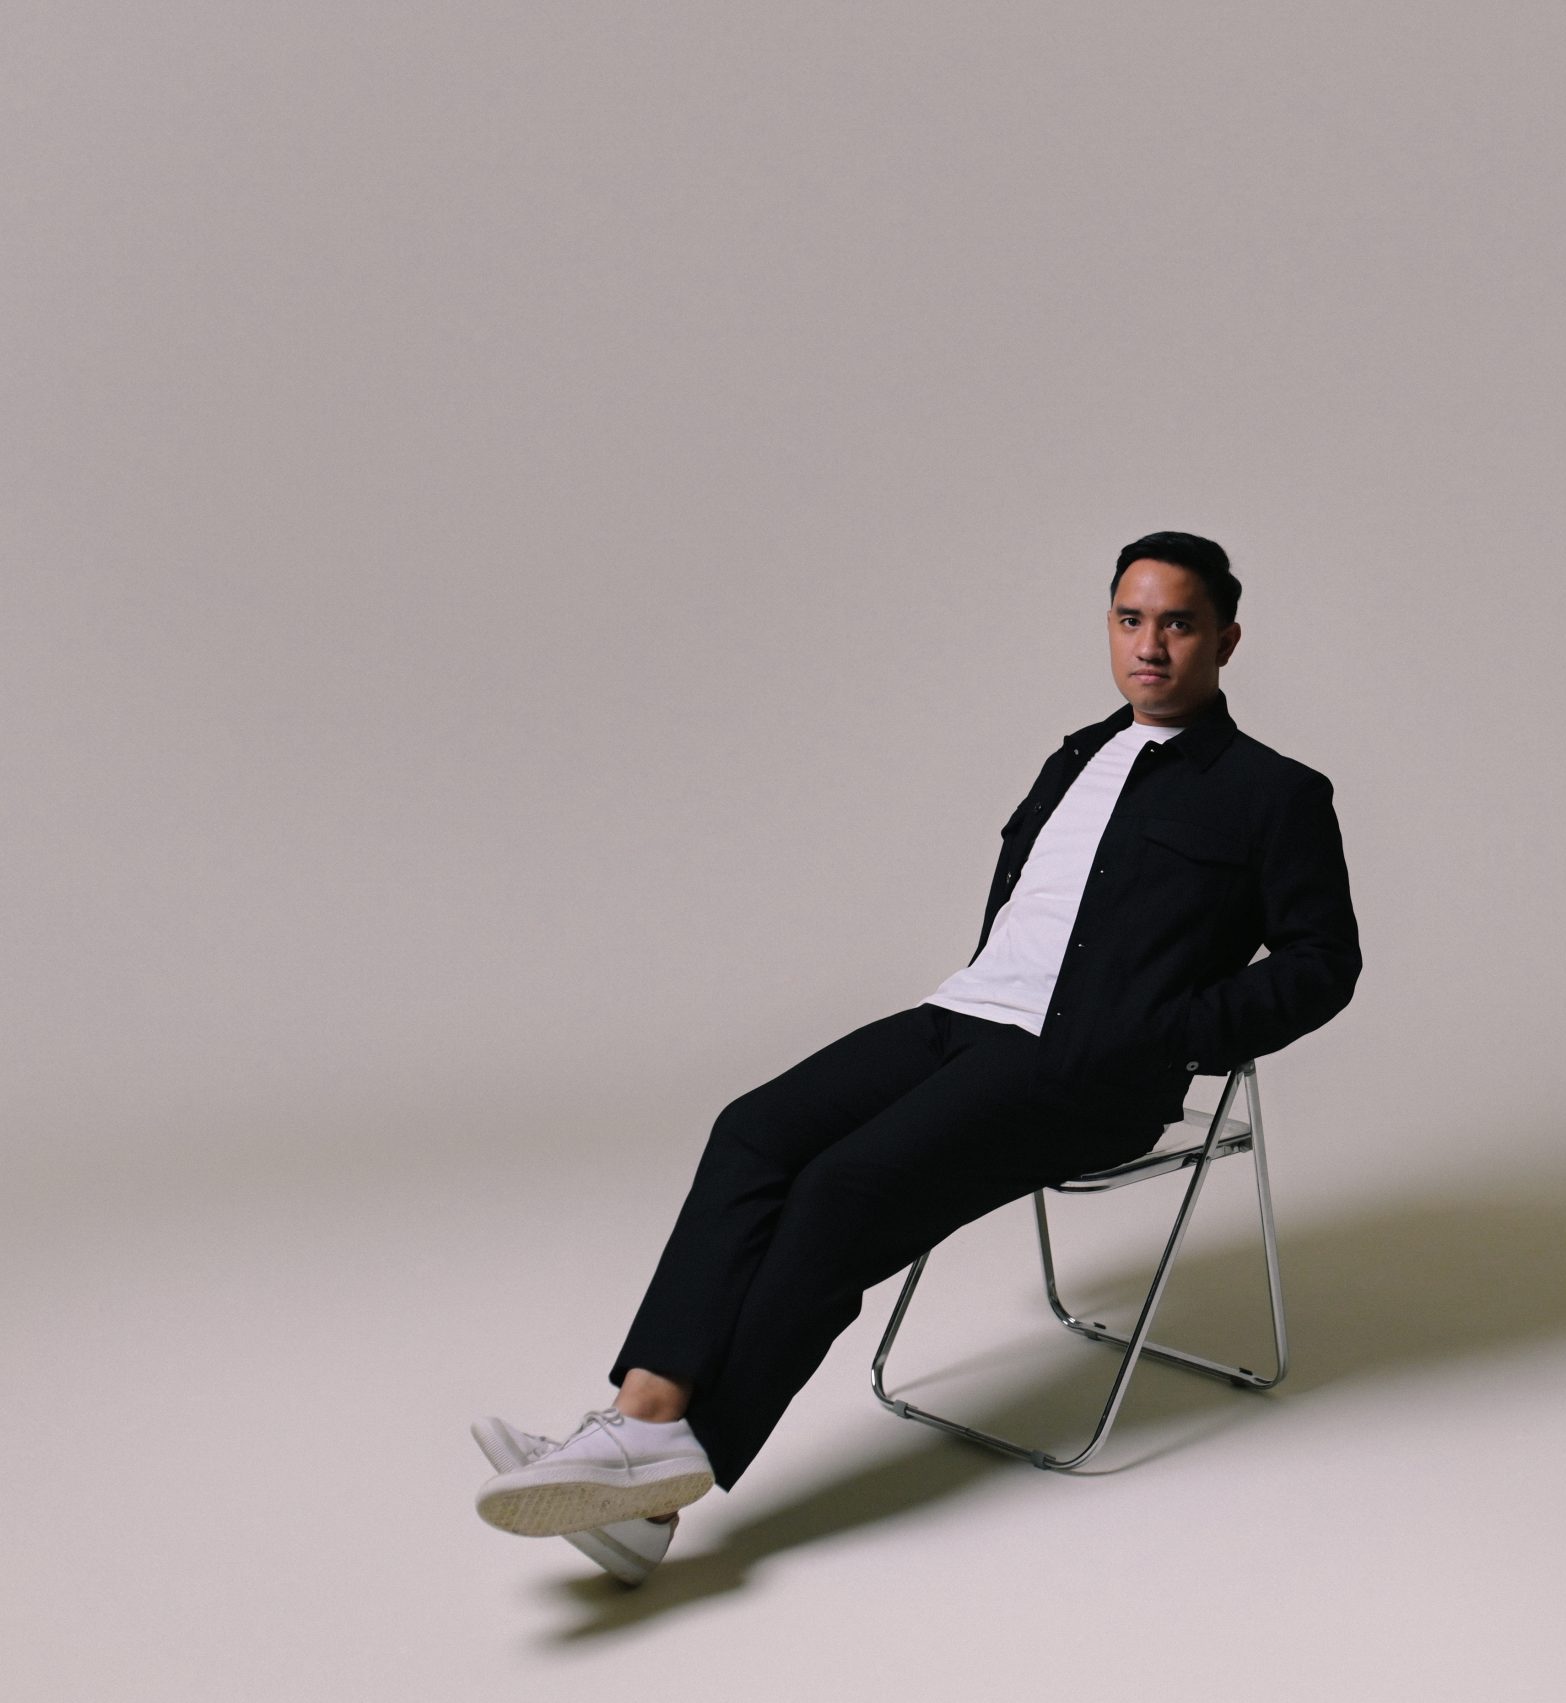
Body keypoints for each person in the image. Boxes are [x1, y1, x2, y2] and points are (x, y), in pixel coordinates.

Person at [470, 531, 1362, 1584]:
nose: (1150, 646)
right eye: (1131, 620)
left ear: (1226, 639)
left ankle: (666, 1473)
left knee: (842, 1186)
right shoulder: (1076, 756)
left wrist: (1164, 1030)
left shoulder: (1274, 792)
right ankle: (640, 1420)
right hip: (965, 1015)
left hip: (1087, 1067)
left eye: (1178, 623)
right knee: (752, 1130)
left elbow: (1323, 963)